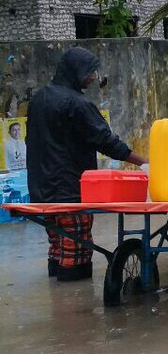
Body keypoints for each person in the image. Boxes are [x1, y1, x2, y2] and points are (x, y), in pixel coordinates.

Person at [27, 47, 147, 281]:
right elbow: (106, 141)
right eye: (90, 72)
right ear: (76, 71)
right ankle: (75, 310)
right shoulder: (78, 103)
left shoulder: (38, 99)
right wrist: (144, 162)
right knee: (76, 248)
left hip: (41, 190)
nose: (94, 77)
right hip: (70, 190)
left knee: (57, 244)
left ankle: (58, 302)